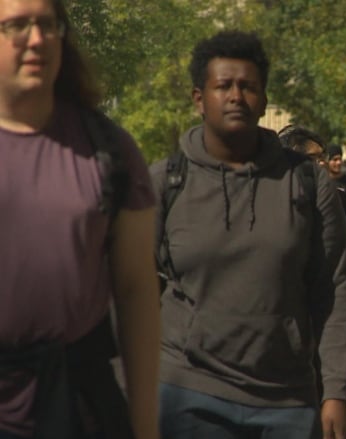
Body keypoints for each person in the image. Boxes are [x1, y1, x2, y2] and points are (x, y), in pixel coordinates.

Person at [151, 31, 346, 439]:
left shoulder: (308, 182)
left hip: (288, 400)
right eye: (223, 86)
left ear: (263, 99)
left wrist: (336, 392)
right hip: (187, 395)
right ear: (198, 98)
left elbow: (333, 288)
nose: (236, 96)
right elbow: (129, 293)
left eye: (248, 87)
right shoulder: (164, 182)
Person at [0, 1, 160, 438]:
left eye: (47, 25)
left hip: (79, 404)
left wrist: (145, 425)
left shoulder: (108, 149)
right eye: (16, 26)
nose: (36, 39)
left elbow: (136, 289)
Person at [278, 124, 346, 393]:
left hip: (332, 328)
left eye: (323, 157)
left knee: (329, 401)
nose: (324, 164)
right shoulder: (266, 206)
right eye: (314, 159)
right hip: (278, 331)